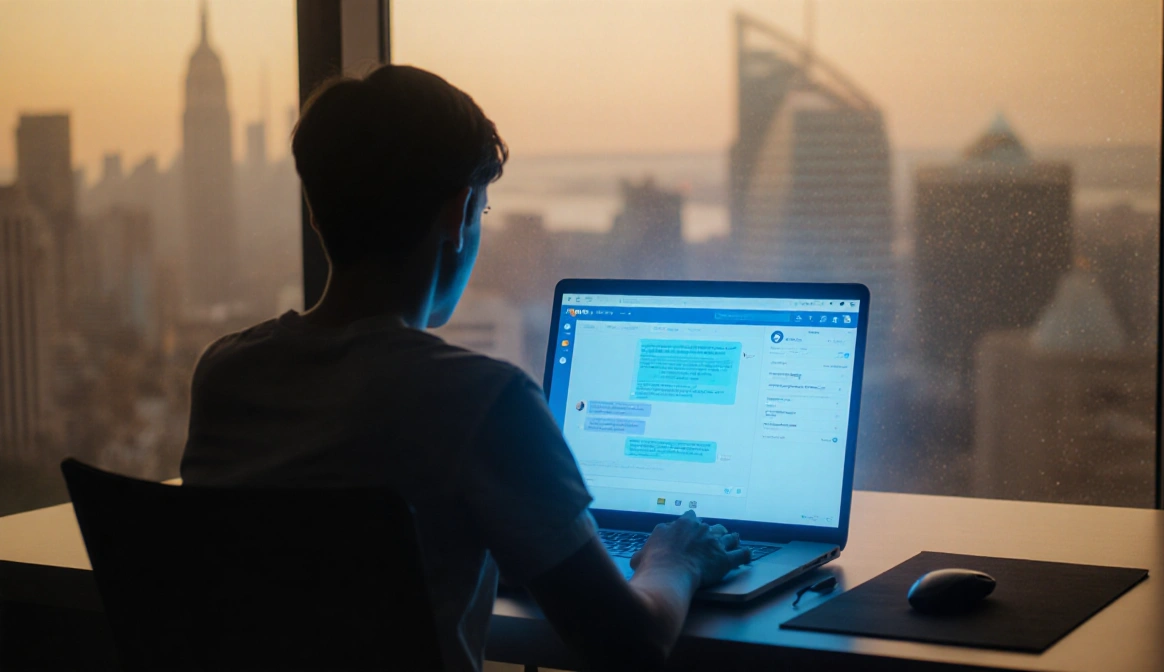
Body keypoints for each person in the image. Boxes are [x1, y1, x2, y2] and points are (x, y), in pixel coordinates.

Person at [180, 65, 749, 671]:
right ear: (457, 216)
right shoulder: (483, 401)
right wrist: (673, 560)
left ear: (318, 215)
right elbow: (630, 646)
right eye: (482, 209)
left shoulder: (225, 375)